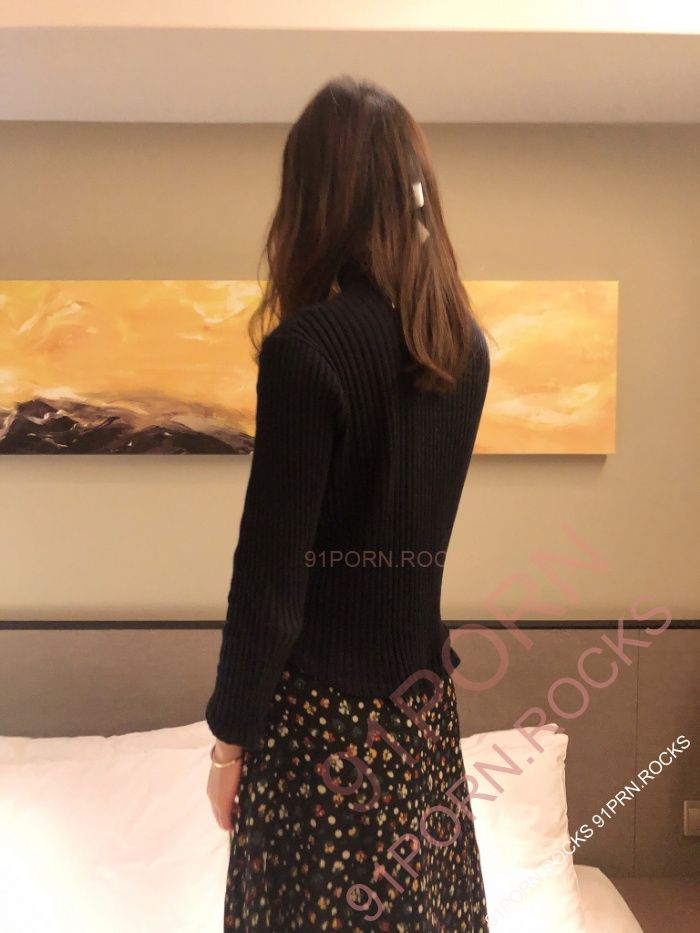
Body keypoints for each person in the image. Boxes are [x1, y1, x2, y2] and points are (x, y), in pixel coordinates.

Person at [205, 74, 491, 932]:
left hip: (319, 732)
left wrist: (227, 742)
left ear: (315, 198)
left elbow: (271, 582)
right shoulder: (464, 349)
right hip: (421, 718)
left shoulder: (307, 351)